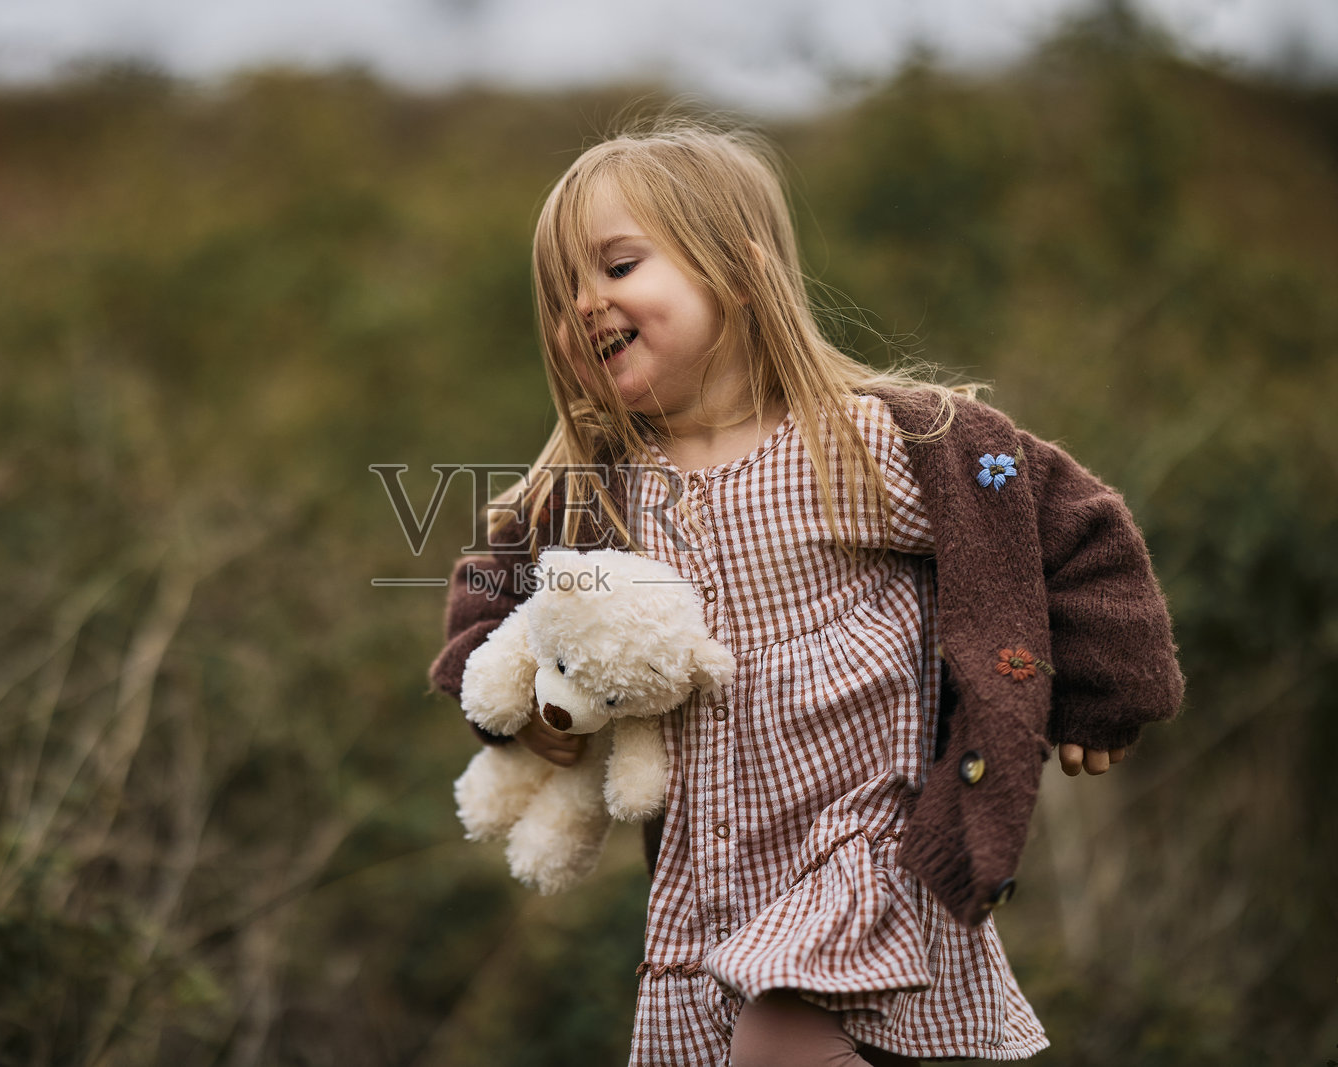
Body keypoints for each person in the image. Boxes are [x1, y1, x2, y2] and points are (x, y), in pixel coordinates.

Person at [428, 124, 1182, 1066]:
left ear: (737, 273)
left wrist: (1107, 686)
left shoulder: (866, 443)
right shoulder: (597, 491)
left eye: (617, 265)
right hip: (711, 880)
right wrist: (519, 711)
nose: (583, 305)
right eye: (558, 295)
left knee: (778, 1040)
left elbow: (1069, 525)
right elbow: (492, 593)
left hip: (869, 845)